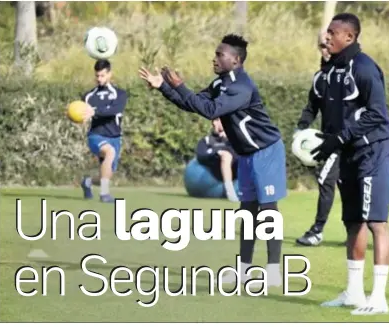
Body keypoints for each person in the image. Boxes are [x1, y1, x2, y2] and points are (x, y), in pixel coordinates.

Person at [139, 34, 287, 287]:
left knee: (268, 213)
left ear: (236, 60)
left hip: (267, 152)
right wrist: (163, 87)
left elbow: (210, 110)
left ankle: (273, 271)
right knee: (248, 213)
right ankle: (243, 269)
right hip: (247, 155)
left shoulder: (242, 87)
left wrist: (179, 85)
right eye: (216, 53)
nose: (215, 58)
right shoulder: (220, 83)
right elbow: (193, 104)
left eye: (220, 54)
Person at [310, 13, 389, 315]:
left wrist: (340, 137)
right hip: (349, 153)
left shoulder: (365, 69)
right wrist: (327, 143)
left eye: (332, 32)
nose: (327, 37)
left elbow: (377, 115)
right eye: (327, 32)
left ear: (350, 37)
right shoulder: (332, 70)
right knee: (352, 222)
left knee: (377, 223)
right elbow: (333, 113)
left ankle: (379, 298)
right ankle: (354, 293)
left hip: (373, 153)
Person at [294, 31, 341, 246]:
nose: (326, 49)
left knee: (331, 181)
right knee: (327, 180)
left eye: (329, 44)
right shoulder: (320, 78)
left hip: (351, 140)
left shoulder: (350, 74)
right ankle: (319, 230)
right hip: (329, 141)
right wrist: (301, 128)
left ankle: (318, 230)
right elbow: (312, 107)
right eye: (322, 46)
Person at [80, 59, 128, 203]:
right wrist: (76, 115)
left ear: (109, 74)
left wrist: (94, 112)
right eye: (97, 76)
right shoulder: (88, 96)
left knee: (105, 175)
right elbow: (81, 113)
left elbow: (115, 110)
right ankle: (105, 194)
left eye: (102, 75)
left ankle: (87, 182)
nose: (99, 79)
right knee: (109, 152)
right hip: (96, 136)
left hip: (114, 137)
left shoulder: (119, 94)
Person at [196, 118, 239, 202]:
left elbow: (240, 152)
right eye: (215, 121)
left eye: (219, 120)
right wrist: (217, 153)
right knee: (226, 155)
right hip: (216, 171)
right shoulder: (207, 140)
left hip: (236, 169)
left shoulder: (234, 139)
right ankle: (230, 191)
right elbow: (201, 155)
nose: (217, 123)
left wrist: (229, 140)